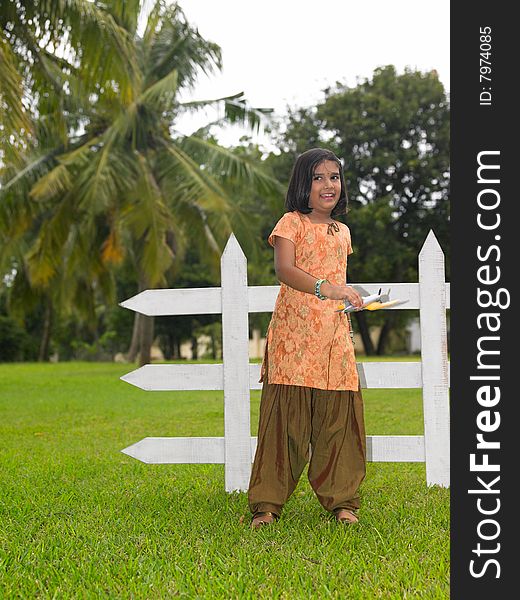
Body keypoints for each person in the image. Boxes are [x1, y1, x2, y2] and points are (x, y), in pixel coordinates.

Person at [248, 148, 367, 529]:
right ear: (303, 183)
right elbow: (285, 270)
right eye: (318, 178)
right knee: (285, 425)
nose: (328, 185)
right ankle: (267, 505)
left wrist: (350, 297)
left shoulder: (342, 231)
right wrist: (326, 289)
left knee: (338, 424)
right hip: (295, 338)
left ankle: (343, 502)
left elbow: (338, 277)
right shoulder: (291, 223)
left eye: (334, 176)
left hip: (334, 338)